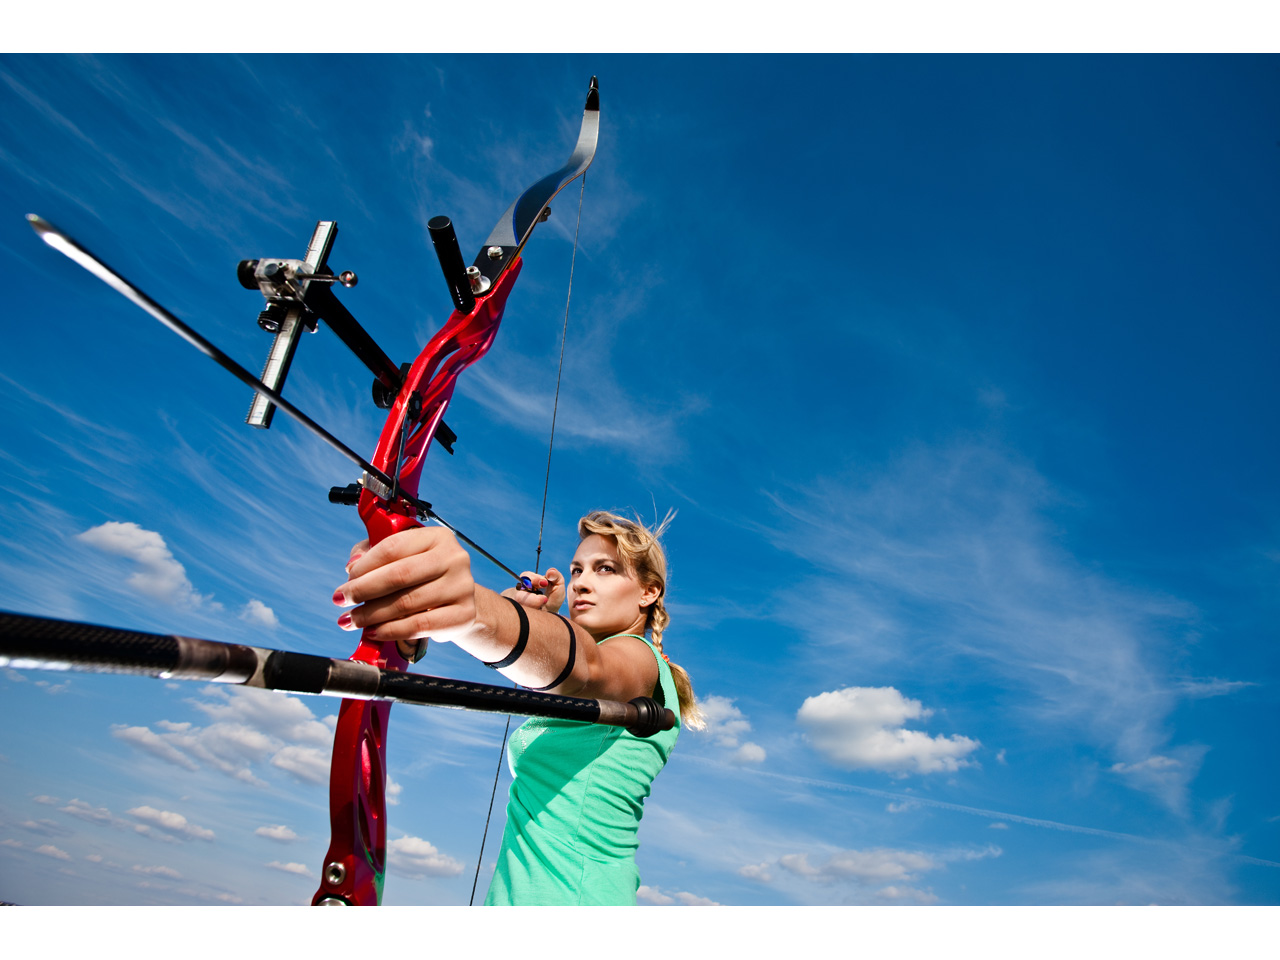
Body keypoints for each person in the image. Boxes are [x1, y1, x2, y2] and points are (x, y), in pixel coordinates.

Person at [331, 510, 703, 905]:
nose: (581, 583)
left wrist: (475, 610)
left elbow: (587, 666)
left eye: (605, 569)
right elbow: (552, 663)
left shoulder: (639, 660)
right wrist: (515, 618)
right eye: (577, 570)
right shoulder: (598, 671)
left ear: (648, 593)